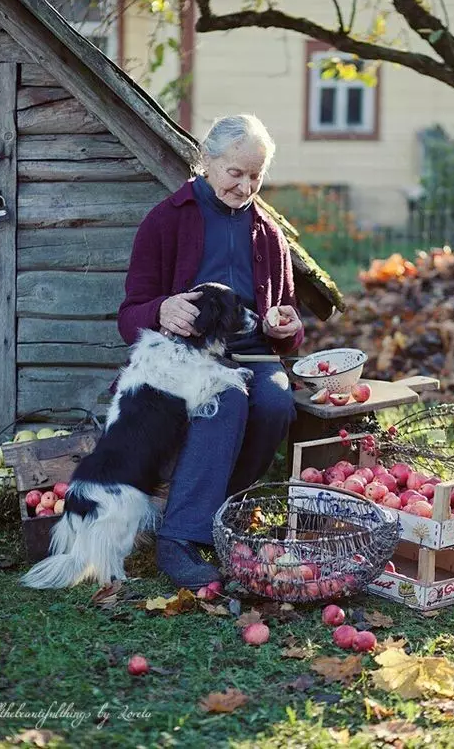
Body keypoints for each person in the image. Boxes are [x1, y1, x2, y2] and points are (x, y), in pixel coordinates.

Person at [117, 114, 304, 590]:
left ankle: (227, 512)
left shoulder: (268, 232)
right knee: (225, 400)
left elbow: (287, 326)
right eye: (234, 173)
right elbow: (129, 314)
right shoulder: (168, 219)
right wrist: (161, 309)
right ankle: (179, 539)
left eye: (255, 176)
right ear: (207, 162)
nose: (244, 187)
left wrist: (285, 327)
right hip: (188, 357)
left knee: (276, 401)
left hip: (252, 354)